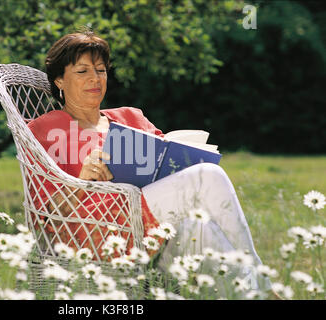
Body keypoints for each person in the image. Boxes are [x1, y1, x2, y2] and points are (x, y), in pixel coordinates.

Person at [27, 30, 275, 298]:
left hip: (155, 230)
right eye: (82, 71)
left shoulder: (130, 117)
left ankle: (254, 295)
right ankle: (266, 287)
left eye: (100, 70)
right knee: (208, 175)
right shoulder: (44, 129)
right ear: (60, 80)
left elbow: (166, 165)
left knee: (200, 227)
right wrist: (82, 179)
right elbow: (46, 213)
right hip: (98, 237)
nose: (95, 78)